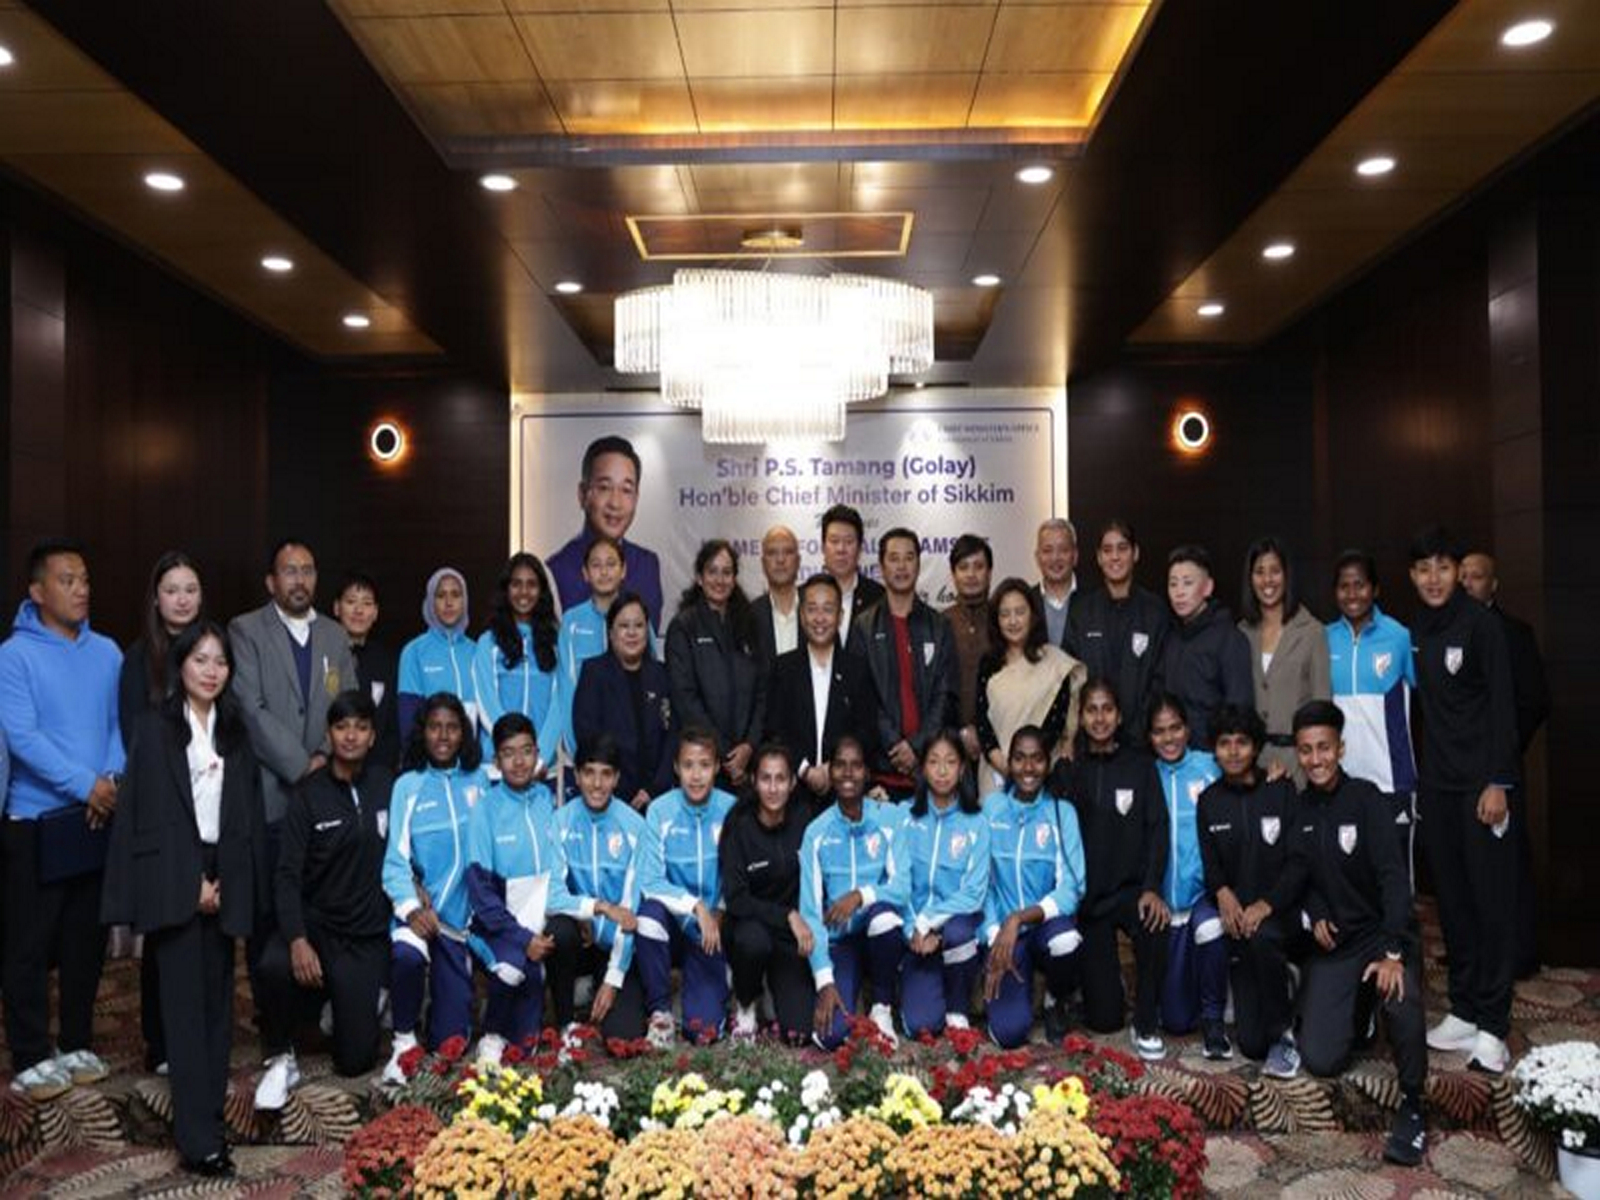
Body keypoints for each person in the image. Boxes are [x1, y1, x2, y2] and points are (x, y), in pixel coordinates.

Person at [102, 621, 267, 1177]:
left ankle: (210, 1126)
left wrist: (228, 883)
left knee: (218, 1014)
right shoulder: (154, 729)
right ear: (180, 665)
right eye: (200, 660)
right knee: (184, 1019)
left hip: (224, 871)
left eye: (220, 661)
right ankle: (198, 1143)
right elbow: (147, 818)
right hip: (177, 870)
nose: (211, 670)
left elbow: (244, 816)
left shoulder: (235, 730)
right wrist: (189, 881)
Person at [0, 540, 124, 1100]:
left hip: (95, 816)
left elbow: (120, 726)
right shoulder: (14, 655)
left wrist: (110, 781)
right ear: (37, 592)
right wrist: (85, 785)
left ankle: (75, 1040)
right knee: (29, 941)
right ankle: (28, 1052)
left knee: (84, 940)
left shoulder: (109, 652)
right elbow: (22, 737)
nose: (82, 588)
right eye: (68, 580)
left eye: (85, 579)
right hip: (35, 818)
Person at [1281, 701, 1428, 1167]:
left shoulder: (1367, 800)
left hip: (1381, 936)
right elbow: (1299, 877)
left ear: (1340, 748)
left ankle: (1414, 1107)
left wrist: (1392, 951)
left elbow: (1393, 880)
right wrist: (1313, 911)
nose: (1316, 759)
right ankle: (1359, 1011)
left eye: (1324, 747)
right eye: (1306, 750)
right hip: (1338, 947)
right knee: (1322, 1060)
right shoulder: (1299, 809)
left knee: (1401, 1002)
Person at [1408, 527, 1520, 1075]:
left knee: (1489, 903)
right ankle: (1466, 1007)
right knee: (1450, 902)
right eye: (1423, 568)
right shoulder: (1419, 632)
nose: (1433, 578)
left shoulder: (1483, 626)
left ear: (1459, 572)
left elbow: (1504, 707)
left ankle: (1494, 1025)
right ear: (1412, 576)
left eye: (1443, 567)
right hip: (1439, 788)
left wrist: (1499, 781)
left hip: (1482, 790)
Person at [254, 691, 394, 1109]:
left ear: (372, 736)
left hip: (364, 934)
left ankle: (340, 1004)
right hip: (317, 927)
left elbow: (405, 851)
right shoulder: (308, 795)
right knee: (274, 964)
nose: (351, 736)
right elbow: (286, 876)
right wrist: (297, 939)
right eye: (341, 727)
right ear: (329, 734)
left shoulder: (387, 785)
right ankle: (281, 1053)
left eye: (361, 727)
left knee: (354, 1061)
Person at [118, 550, 204, 1074]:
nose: (181, 599)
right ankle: (161, 1043)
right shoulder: (137, 659)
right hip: (159, 807)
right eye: (172, 589)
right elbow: (134, 740)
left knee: (203, 929)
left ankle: (196, 1033)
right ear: (156, 597)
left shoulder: (212, 650)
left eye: (190, 589)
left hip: (207, 805)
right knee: (165, 927)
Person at [381, 692, 491, 1080]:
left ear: (464, 733)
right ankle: (404, 1038)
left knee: (451, 1045)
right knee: (407, 956)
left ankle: (447, 1007)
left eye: (452, 727)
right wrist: (411, 906)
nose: (443, 736)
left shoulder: (481, 780)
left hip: (464, 925)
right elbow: (395, 860)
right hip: (422, 916)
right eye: (434, 727)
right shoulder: (407, 786)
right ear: (422, 733)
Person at [1197, 704, 1302, 1074]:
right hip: (1239, 921)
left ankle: (1284, 1034)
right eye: (1224, 743)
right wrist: (1222, 892)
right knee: (1252, 1045)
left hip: (1279, 916)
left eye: (1242, 742)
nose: (1233, 751)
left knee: (1263, 938)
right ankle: (1280, 990)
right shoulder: (1209, 802)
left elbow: (1298, 862)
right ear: (1214, 749)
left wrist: (1266, 904)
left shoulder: (1281, 789)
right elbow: (1210, 865)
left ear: (1256, 747)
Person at [1460, 549, 1550, 979]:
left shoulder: (1515, 632)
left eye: (1476, 577)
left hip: (1501, 768)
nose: (1467, 584)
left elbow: (1534, 701)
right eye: (1462, 578)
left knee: (1508, 863)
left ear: (1492, 584)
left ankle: (1519, 954)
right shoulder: (1448, 631)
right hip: (1459, 770)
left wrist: (1504, 751)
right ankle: (1474, 951)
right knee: (1467, 865)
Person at [466, 713, 574, 1064]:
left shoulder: (545, 798)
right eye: (508, 753)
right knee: (512, 970)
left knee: (526, 1046)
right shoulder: (485, 810)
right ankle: (491, 1036)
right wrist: (521, 938)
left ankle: (565, 1023)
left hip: (539, 919)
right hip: (498, 926)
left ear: (537, 754)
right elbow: (481, 894)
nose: (518, 761)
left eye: (526, 751)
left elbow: (558, 869)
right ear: (496, 761)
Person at [229, 539, 359, 829]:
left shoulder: (335, 635)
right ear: (271, 582)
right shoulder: (245, 630)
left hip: (328, 788)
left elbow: (349, 704)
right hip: (269, 794)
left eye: (308, 571)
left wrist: (325, 757)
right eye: (290, 571)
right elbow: (250, 708)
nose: (300, 580)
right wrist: (302, 766)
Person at [1068, 684, 1168, 1059]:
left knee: (1156, 923)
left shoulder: (1141, 766)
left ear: (1120, 715)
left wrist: (1152, 886)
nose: (1099, 718)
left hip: (1131, 892)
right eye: (1091, 710)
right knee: (1105, 1019)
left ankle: (1146, 1020)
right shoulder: (1071, 769)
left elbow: (1158, 827)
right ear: (1080, 717)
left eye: (1107, 709)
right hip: (1090, 900)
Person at [800, 734, 907, 1049]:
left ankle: (882, 1007)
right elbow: (809, 912)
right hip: (840, 942)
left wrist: (860, 895)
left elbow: (902, 887)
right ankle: (848, 986)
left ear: (867, 773)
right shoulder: (816, 832)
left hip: (879, 936)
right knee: (830, 1037)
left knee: (884, 918)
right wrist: (824, 980)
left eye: (856, 766)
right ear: (830, 772)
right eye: (840, 766)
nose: (848, 774)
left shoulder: (889, 819)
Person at [981, 726, 1085, 1048]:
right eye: (1020, 759)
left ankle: (1056, 997)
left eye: (1037, 759)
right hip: (1004, 935)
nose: (1028, 768)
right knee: (1008, 1035)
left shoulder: (1061, 811)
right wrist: (995, 933)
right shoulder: (991, 808)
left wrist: (1020, 918)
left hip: (1042, 926)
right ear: (1008, 763)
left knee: (1067, 940)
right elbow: (979, 882)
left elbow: (1072, 887)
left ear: (1048, 763)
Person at [636, 729, 739, 1047]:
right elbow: (650, 881)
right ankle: (661, 1012)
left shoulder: (732, 809)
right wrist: (696, 906)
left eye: (705, 765)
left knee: (702, 1032)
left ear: (717, 767)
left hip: (712, 931)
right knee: (648, 917)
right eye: (689, 765)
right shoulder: (660, 811)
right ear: (677, 768)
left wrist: (718, 910)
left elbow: (737, 876)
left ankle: (717, 985)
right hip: (675, 923)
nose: (696, 776)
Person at [547, 734, 649, 1042]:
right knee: (558, 929)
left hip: (618, 945)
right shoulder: (560, 822)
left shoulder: (635, 827)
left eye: (606, 774)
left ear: (617, 778)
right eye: (589, 773)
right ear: (576, 776)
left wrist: (613, 979)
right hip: (579, 939)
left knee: (624, 1035)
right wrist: (598, 908)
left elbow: (630, 914)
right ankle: (566, 1022)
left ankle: (598, 985)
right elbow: (552, 896)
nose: (596, 784)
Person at [1324, 551, 1418, 880]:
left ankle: (1398, 935)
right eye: (1344, 586)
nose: (1352, 594)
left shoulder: (1400, 637)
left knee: (1395, 877)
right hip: (1340, 780)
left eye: (1360, 585)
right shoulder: (1324, 639)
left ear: (1375, 589)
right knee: (1349, 876)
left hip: (1391, 781)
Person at [1145, 688, 1228, 1057]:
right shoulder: (1147, 775)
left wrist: (1273, 773)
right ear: (1150, 737)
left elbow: (1246, 787)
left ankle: (1214, 1018)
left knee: (1210, 927)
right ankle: (1197, 996)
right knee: (1177, 1021)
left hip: (1204, 896)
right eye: (1160, 731)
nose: (1169, 738)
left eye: (1175, 728)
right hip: (1167, 903)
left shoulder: (1210, 766)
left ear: (1188, 729)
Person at [846, 527, 959, 798]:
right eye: (893, 559)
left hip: (932, 771)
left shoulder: (939, 625)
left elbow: (945, 695)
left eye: (909, 558)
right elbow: (864, 697)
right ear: (881, 567)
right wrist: (896, 745)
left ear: (919, 564)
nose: (901, 566)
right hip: (880, 774)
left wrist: (918, 745)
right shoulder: (863, 626)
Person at [720, 742, 818, 1042]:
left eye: (780, 779)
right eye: (765, 778)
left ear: (791, 784)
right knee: (754, 943)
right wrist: (787, 914)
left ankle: (775, 988)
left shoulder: (805, 821)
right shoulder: (739, 826)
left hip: (790, 937)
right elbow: (736, 899)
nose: (773, 788)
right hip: (750, 928)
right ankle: (746, 999)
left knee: (798, 1032)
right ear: (754, 781)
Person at [897, 731, 990, 1038]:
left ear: (963, 768)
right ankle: (917, 984)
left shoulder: (976, 822)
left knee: (961, 930)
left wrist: (930, 922)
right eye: (934, 761)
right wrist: (914, 926)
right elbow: (898, 881)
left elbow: (974, 893)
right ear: (922, 767)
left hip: (951, 929)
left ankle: (958, 1005)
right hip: (916, 937)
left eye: (950, 762)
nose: (942, 770)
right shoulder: (905, 817)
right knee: (920, 1027)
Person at [763, 574, 878, 797]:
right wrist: (805, 770)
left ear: (840, 616)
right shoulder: (783, 668)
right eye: (812, 609)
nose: (819, 618)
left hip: (845, 792)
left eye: (828, 609)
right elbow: (774, 729)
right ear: (802, 614)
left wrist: (833, 767)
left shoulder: (858, 670)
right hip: (793, 793)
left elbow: (867, 732)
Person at [665, 540, 764, 789]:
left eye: (727, 572)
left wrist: (749, 747)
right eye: (712, 571)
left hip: (747, 764)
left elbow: (762, 692)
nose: (720, 580)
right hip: (703, 765)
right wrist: (725, 753)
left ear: (734, 578)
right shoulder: (683, 627)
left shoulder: (749, 624)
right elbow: (685, 699)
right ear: (699, 577)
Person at [975, 578, 1087, 792]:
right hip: (996, 773)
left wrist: (1028, 765)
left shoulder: (1054, 663)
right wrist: (1004, 765)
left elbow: (1056, 720)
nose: (1013, 621)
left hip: (1041, 772)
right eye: (1005, 614)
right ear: (996, 620)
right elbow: (982, 722)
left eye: (1020, 612)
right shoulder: (989, 663)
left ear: (1033, 616)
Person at [1238, 538, 1331, 784]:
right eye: (1259, 572)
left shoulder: (1312, 631)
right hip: (1250, 764)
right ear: (1250, 579)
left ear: (1287, 576)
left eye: (1275, 571)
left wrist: (1311, 762)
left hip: (1299, 765)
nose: (1267, 580)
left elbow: (1322, 704)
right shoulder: (1240, 633)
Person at [572, 594, 678, 810]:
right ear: (611, 633)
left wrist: (654, 788)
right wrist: (612, 784)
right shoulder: (594, 672)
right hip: (608, 796)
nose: (632, 633)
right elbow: (586, 734)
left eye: (638, 626)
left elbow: (673, 734)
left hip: (656, 798)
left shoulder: (662, 674)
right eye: (623, 626)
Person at [546, 435, 664, 629]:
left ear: (636, 498)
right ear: (583, 494)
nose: (615, 503)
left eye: (626, 490)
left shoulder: (647, 565)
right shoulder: (556, 569)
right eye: (604, 488)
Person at [1066, 520, 1168, 740]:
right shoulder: (1082, 611)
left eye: (1122, 549)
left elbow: (1161, 680)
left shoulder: (1155, 611)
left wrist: (1140, 729)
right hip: (1090, 742)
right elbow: (1072, 679)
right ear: (1098, 557)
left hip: (1141, 743)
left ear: (1135, 553)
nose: (1115, 557)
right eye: (1107, 550)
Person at [1155, 545, 1252, 749]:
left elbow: (1238, 710)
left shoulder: (1230, 639)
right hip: (1172, 755)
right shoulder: (1169, 637)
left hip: (1214, 758)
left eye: (1187, 583)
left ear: (1207, 587)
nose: (1179, 592)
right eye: (1173, 584)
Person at [554, 535, 640, 760]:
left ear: (623, 570)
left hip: (633, 742)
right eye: (596, 565)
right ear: (585, 573)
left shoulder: (637, 616)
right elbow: (567, 687)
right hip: (587, 747)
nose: (604, 572)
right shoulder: (571, 621)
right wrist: (577, 750)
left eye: (611, 564)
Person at [472, 553, 561, 765]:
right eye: (516, 584)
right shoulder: (488, 642)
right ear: (506, 589)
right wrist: (511, 753)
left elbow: (559, 706)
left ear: (541, 591)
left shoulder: (556, 643)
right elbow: (486, 702)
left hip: (542, 767)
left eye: (531, 585)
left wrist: (538, 758)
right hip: (497, 763)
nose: (523, 592)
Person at [333, 573, 402, 772]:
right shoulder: (324, 653)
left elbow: (392, 725)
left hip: (376, 771)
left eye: (367, 603)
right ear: (337, 608)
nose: (358, 610)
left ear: (375, 612)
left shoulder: (386, 660)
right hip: (330, 770)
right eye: (351, 601)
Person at [397, 568, 477, 738]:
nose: (448, 602)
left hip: (474, 758)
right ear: (430, 602)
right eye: (441, 595)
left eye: (455, 595)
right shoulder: (414, 651)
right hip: (429, 759)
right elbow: (408, 716)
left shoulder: (477, 651)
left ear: (465, 601)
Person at [941, 534, 993, 762]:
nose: (971, 575)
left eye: (979, 567)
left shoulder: (1003, 620)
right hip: (948, 744)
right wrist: (960, 732)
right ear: (953, 575)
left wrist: (983, 733)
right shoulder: (940, 623)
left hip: (998, 743)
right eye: (963, 567)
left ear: (990, 572)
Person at [820, 504, 885, 635]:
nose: (841, 549)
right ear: (823, 547)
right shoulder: (803, 598)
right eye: (834, 541)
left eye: (848, 542)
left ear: (860, 549)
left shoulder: (879, 599)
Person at [749, 525, 801, 674]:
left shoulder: (815, 612)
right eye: (772, 553)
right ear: (763, 563)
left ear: (798, 561)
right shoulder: (749, 616)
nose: (780, 560)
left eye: (788, 552)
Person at [1032, 519, 1079, 649]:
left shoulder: (1094, 601)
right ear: (1037, 557)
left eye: (1063, 550)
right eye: (1047, 551)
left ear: (1075, 556)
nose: (1055, 558)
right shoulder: (1027, 601)